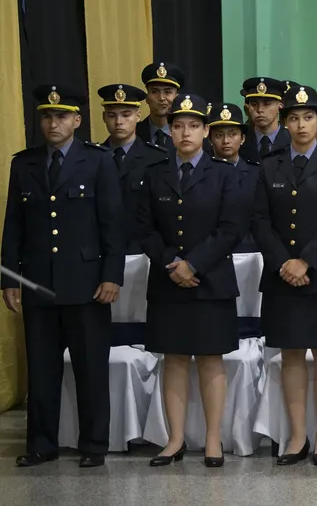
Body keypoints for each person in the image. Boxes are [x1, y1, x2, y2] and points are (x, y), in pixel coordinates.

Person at [2, 85, 124, 468]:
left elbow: (112, 225)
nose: (53, 123)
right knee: (42, 370)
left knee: (90, 370)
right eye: (46, 116)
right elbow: (14, 226)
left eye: (61, 116)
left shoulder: (98, 161)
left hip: (87, 283)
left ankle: (93, 445)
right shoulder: (24, 163)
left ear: (77, 120)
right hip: (38, 283)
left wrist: (111, 275)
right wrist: (8, 277)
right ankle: (41, 443)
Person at [137, 94, 243, 468]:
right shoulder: (155, 173)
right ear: (169, 130)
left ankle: (213, 439)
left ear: (207, 132)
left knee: (211, 360)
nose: (185, 132)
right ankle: (175, 439)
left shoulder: (225, 174)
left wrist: (193, 264)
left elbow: (230, 228)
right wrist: (171, 262)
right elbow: (145, 228)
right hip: (168, 281)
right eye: (178, 125)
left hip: (210, 279)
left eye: (194, 126)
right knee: (175, 359)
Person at [252, 85, 317, 466]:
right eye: (293, 118)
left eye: (308, 118)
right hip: (283, 277)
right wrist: (285, 262)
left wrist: (305, 262)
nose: (301, 125)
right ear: (285, 121)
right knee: (291, 355)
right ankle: (297, 436)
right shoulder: (269, 165)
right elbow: (260, 221)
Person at [98, 83, 169, 254]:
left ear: (138, 115)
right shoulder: (94, 158)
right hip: (103, 251)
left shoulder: (158, 158)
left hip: (146, 253)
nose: (119, 122)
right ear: (104, 117)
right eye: (112, 115)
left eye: (126, 115)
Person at [208, 102, 260, 253]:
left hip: (249, 251)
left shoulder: (256, 173)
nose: (226, 141)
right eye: (219, 135)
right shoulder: (200, 173)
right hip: (209, 252)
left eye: (232, 134)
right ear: (210, 138)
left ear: (242, 138)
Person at [239, 77, 290, 163]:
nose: (259, 110)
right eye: (254, 104)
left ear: (280, 106)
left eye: (267, 104)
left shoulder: (292, 140)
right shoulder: (240, 141)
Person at [139, 62, 185, 149]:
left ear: (177, 98)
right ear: (147, 97)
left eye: (167, 92)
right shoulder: (133, 134)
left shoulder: (188, 134)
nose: (161, 98)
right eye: (154, 91)